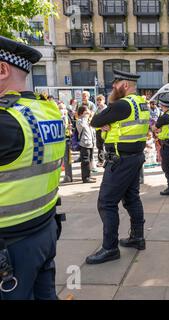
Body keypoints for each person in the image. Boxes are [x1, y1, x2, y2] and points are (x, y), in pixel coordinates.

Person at [0, 36, 65, 299]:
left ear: (2, 70)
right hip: (44, 229)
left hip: (11, 247)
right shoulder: (46, 110)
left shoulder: (6, 120)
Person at [86, 70, 150, 264]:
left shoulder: (122, 105)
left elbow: (95, 121)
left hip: (120, 161)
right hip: (135, 158)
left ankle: (110, 248)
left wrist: (106, 122)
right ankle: (137, 237)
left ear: (124, 85)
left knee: (106, 203)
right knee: (131, 199)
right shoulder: (141, 103)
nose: (113, 86)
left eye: (115, 83)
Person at [76, 106, 96, 183]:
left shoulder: (88, 121)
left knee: (90, 160)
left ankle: (89, 175)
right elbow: (83, 125)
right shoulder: (80, 121)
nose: (88, 113)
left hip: (90, 143)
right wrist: (85, 116)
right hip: (84, 143)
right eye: (86, 111)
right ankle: (85, 178)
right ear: (82, 113)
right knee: (85, 161)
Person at [95, 95, 108, 167]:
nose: (99, 102)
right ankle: (101, 160)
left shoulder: (106, 109)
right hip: (98, 130)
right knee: (99, 146)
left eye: (100, 100)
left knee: (106, 145)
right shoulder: (97, 109)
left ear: (104, 100)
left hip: (105, 130)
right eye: (98, 100)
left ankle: (106, 160)